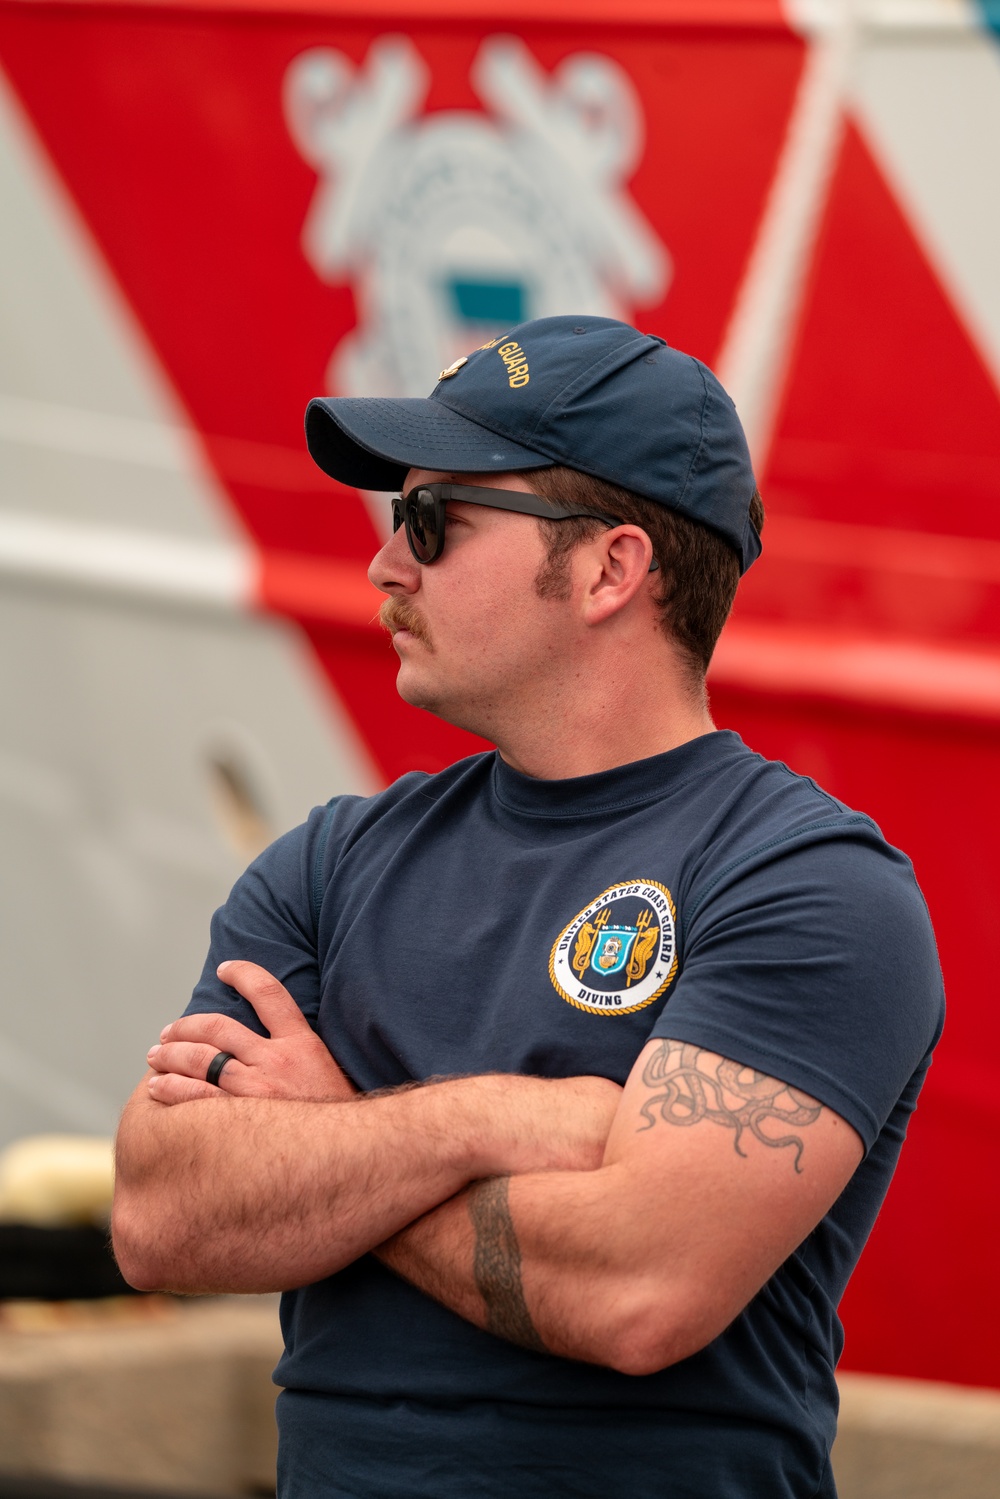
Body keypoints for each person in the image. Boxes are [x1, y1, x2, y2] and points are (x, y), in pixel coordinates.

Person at [113, 316, 944, 1499]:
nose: (384, 564)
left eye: (433, 519)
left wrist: (326, 1137)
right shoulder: (330, 862)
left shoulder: (808, 883)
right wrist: (485, 1119)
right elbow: (159, 1216)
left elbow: (634, 1289)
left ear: (611, 568)